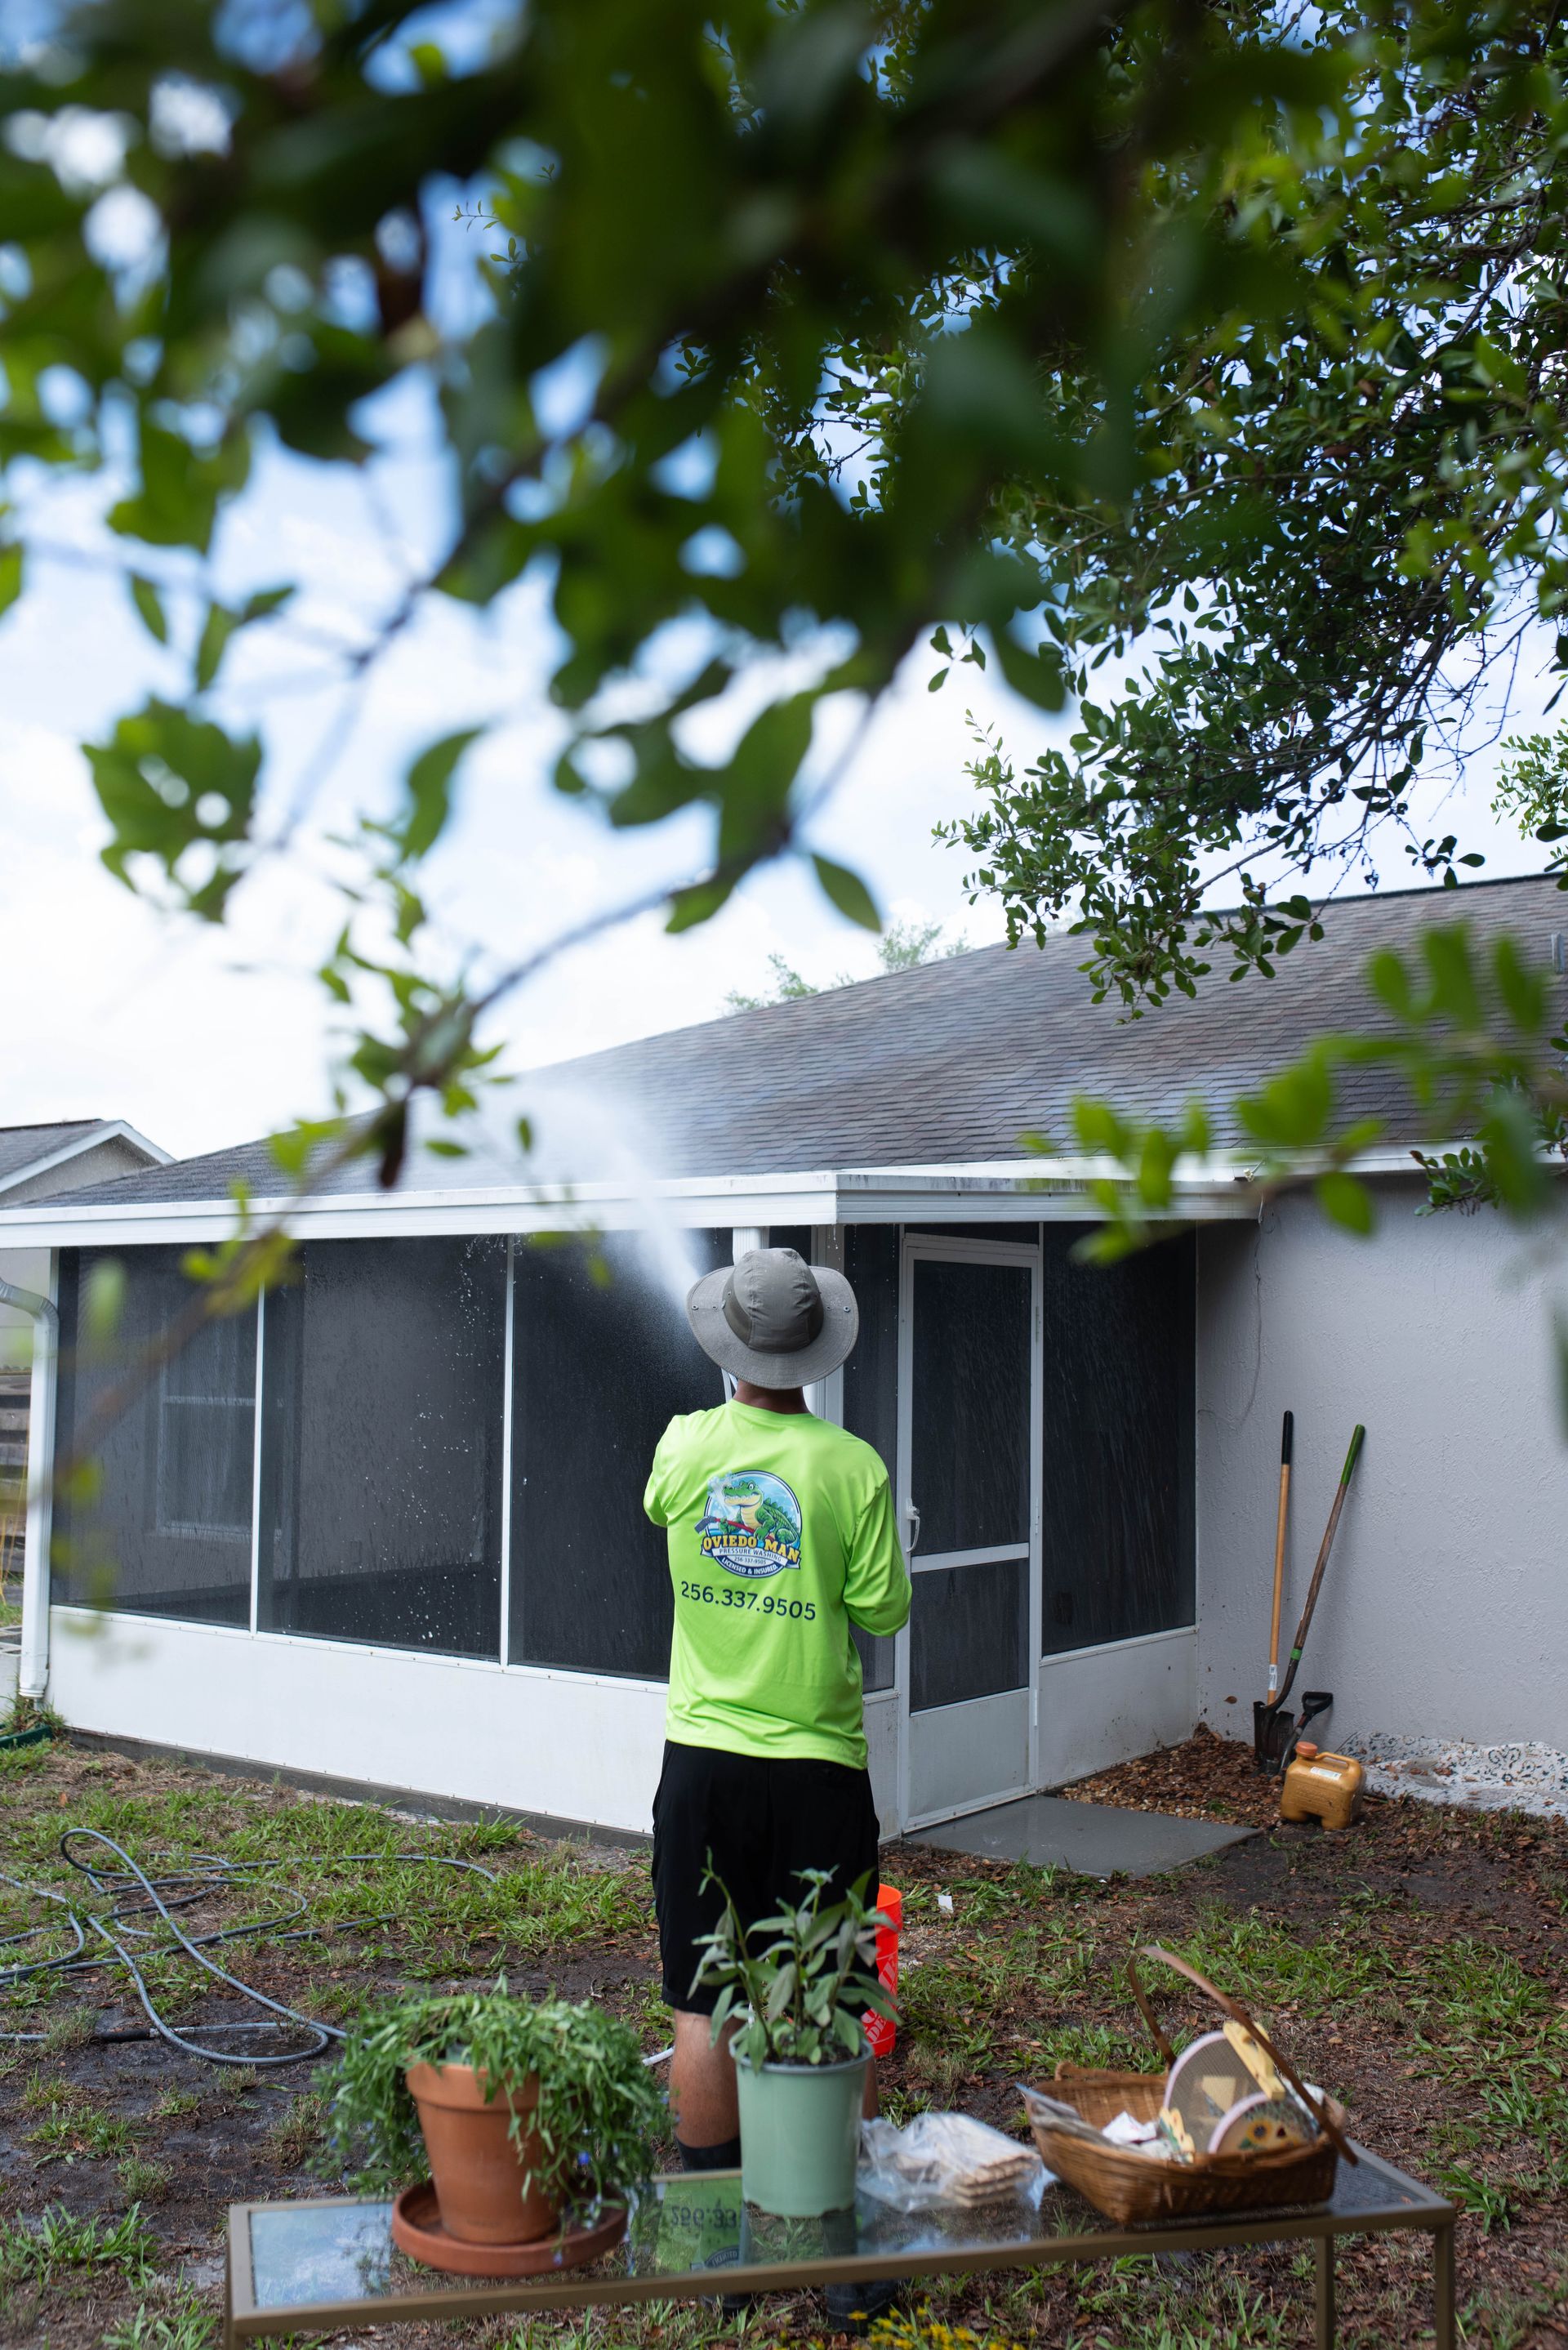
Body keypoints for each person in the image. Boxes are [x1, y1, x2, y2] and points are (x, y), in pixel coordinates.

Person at [644, 1244, 911, 2172]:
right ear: (817, 1349)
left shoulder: (684, 1445)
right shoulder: (855, 1469)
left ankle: (720, 2236)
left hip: (702, 1768)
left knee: (704, 1995)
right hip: (818, 1776)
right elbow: (883, 1609)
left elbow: (659, 1509)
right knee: (834, 1993)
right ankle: (839, 2230)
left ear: (730, 1345)